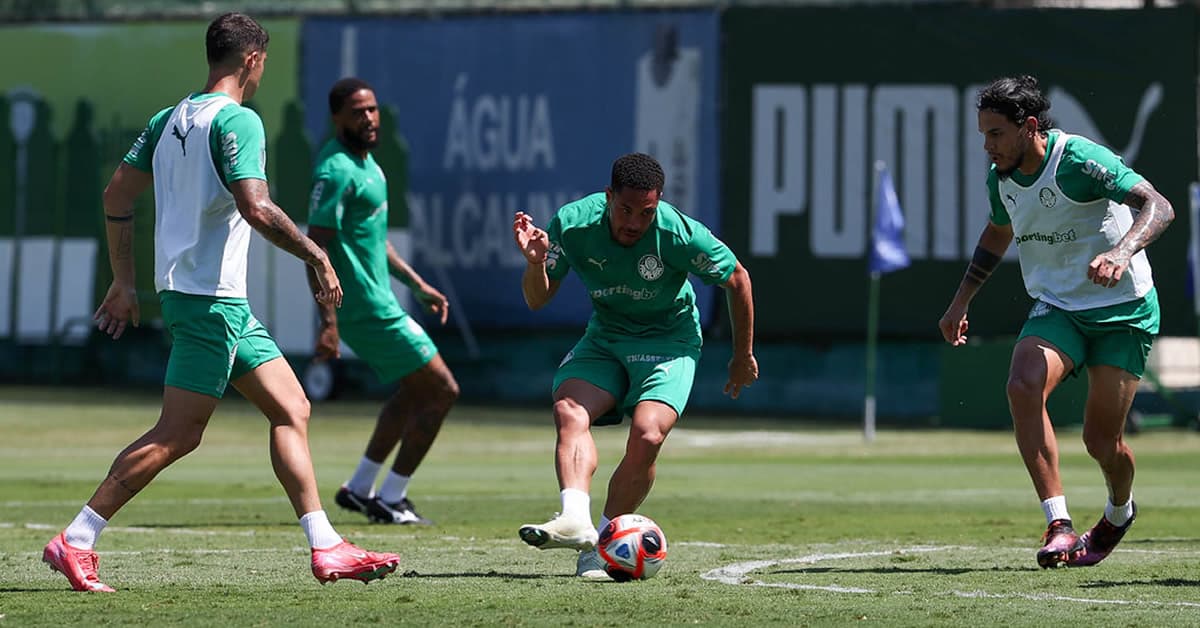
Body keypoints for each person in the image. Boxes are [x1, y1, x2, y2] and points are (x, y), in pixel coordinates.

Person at [42, 13, 400, 592]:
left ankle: (326, 544)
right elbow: (257, 208)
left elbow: (116, 194)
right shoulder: (240, 121)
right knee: (178, 434)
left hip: (208, 300)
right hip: (211, 303)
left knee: (292, 408)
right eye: (263, 64)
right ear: (252, 61)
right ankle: (77, 538)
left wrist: (124, 280)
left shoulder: (168, 118)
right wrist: (317, 255)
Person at [939, 75, 1173, 569]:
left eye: (996, 134)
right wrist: (961, 301)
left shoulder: (1082, 160)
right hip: (1059, 307)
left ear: (1028, 127)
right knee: (1023, 384)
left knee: (1100, 442)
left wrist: (1121, 250)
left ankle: (1118, 511)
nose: (988, 146)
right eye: (983, 134)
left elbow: (1159, 206)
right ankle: (1059, 524)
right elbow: (998, 232)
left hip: (1122, 308)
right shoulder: (1001, 176)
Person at [511, 152, 758, 579]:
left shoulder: (678, 233)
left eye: (645, 213)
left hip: (670, 342)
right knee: (569, 410)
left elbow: (737, 277)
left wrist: (742, 356)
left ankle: (602, 539)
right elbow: (537, 299)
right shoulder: (573, 224)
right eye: (625, 210)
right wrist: (536, 263)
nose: (634, 223)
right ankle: (574, 517)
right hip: (606, 338)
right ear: (608, 197)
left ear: (657, 205)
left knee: (647, 434)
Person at [306, 77, 459, 526]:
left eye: (372, 109)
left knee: (414, 391)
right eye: (358, 111)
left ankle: (360, 487)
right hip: (365, 309)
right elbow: (315, 248)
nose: (369, 118)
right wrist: (328, 322)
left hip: (382, 301)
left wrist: (418, 284)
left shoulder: (370, 166)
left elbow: (377, 243)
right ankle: (391, 496)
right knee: (444, 391)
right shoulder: (334, 170)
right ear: (336, 118)